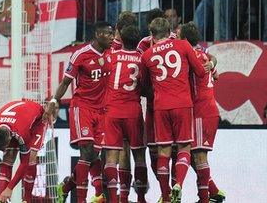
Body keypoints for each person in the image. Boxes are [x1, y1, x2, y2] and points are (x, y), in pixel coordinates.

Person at [141, 17, 213, 203]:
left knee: (163, 152)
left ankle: (165, 197)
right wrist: (212, 64)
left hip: (160, 107)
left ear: (152, 34)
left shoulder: (147, 55)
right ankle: (178, 184)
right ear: (170, 31)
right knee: (184, 147)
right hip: (183, 103)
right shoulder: (182, 46)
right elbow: (199, 71)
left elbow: (144, 87)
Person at [50, 21, 113, 203]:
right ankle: (82, 199)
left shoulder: (111, 52)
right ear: (97, 35)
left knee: (94, 155)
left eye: (112, 34)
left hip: (101, 111)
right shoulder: (81, 55)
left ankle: (67, 186)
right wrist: (55, 100)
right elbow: (65, 82)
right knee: (86, 153)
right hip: (82, 108)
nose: (111, 37)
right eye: (108, 34)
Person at [180, 22, 226, 203]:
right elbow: (217, 76)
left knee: (199, 155)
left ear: (184, 40)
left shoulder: (190, 58)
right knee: (191, 154)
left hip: (202, 110)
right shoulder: (203, 56)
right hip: (203, 109)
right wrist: (211, 63)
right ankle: (211, 193)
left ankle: (205, 198)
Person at [101, 25, 148, 203]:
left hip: (112, 111)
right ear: (137, 41)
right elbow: (145, 87)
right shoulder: (142, 59)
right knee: (139, 157)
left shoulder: (111, 56)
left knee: (112, 157)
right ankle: (141, 198)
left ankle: (116, 199)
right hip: (133, 112)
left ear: (120, 38)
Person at [0, 101, 47, 203]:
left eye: (3, 147)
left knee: (30, 159)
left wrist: (10, 188)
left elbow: (23, 163)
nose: (3, 150)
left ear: (9, 139)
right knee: (8, 157)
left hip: (37, 121)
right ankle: (2, 200)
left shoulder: (22, 133)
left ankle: (27, 199)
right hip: (15, 119)